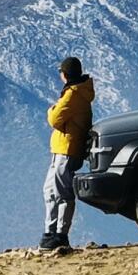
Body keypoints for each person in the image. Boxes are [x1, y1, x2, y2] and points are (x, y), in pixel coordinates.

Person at [41, 55, 94, 250]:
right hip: (63, 149)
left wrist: (51, 109)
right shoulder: (79, 92)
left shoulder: (73, 94)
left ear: (65, 74)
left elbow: (54, 118)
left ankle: (59, 235)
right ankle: (50, 233)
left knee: (62, 192)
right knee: (50, 190)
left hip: (66, 149)